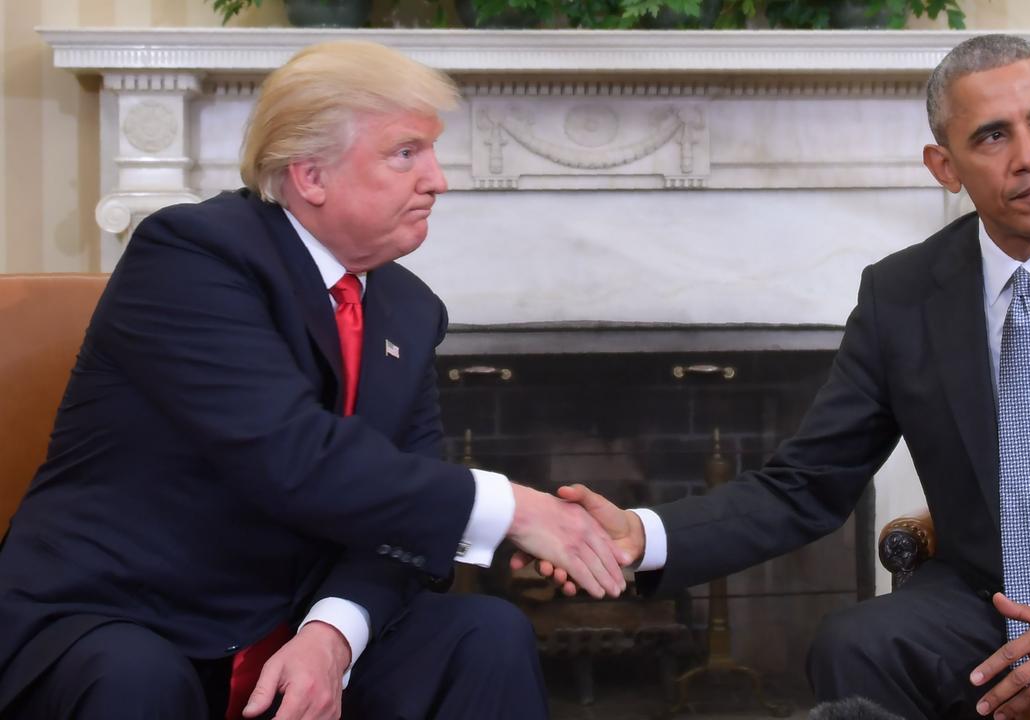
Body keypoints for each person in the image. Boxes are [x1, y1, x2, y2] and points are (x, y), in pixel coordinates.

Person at [520, 34, 1030, 719]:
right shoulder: (903, 297)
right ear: (943, 167)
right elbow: (808, 482)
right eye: (992, 136)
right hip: (995, 602)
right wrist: (642, 536)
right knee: (857, 644)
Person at [0, 41, 630, 720]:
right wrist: (514, 507)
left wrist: (332, 633)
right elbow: (291, 454)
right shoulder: (191, 254)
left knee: (484, 634)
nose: (439, 180)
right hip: (127, 611)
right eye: (406, 153)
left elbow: (403, 518)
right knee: (136, 678)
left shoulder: (410, 310)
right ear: (311, 175)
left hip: (293, 612)